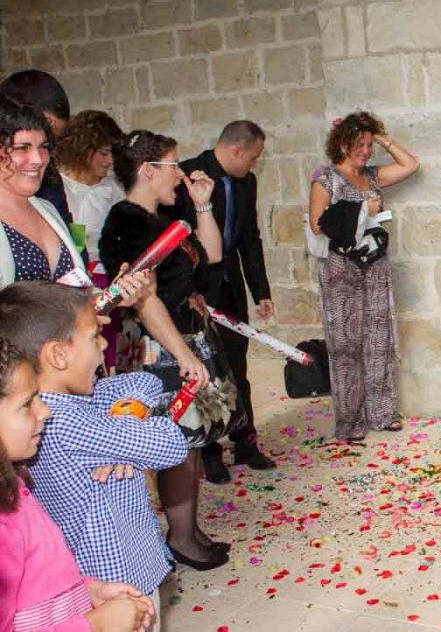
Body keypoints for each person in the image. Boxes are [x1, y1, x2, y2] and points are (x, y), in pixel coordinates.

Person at [0, 284, 183, 631]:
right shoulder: (66, 423)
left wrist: (121, 422)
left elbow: (145, 383)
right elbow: (170, 443)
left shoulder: (69, 405)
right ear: (58, 355)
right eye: (93, 336)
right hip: (117, 583)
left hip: (100, 584)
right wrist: (126, 433)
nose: (102, 345)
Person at [100, 130, 234, 570]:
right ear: (147, 171)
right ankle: (180, 537)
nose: (180, 175)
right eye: (174, 166)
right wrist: (183, 356)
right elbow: (145, 301)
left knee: (191, 442)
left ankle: (188, 528)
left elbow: (212, 256)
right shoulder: (126, 222)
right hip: (155, 346)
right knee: (175, 441)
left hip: (181, 336)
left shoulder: (167, 214)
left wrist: (202, 204)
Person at [162, 121, 275, 484]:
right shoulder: (188, 175)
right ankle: (210, 452)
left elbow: (250, 238)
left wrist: (261, 290)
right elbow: (176, 237)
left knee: (237, 364)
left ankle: (245, 440)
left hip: (230, 285)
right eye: (253, 157)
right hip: (197, 289)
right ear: (236, 150)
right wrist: (187, 289)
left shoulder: (247, 182)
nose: (254, 165)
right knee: (205, 368)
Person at [308, 112, 419, 442]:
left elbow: (410, 165)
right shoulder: (326, 179)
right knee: (345, 346)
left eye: (369, 145)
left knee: (379, 339)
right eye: (360, 144)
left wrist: (380, 136)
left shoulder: (371, 176)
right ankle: (351, 420)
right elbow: (317, 224)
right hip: (341, 270)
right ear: (343, 144)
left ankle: (382, 413)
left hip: (374, 265)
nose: (366, 151)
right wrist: (362, 211)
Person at [0, 69, 73, 223]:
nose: (38, 159)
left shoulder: (49, 180)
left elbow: (64, 224)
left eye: (45, 145)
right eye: (22, 147)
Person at [56, 110, 126, 267]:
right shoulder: (58, 188)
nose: (110, 160)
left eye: (112, 153)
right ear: (83, 150)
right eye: (104, 153)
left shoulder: (115, 188)